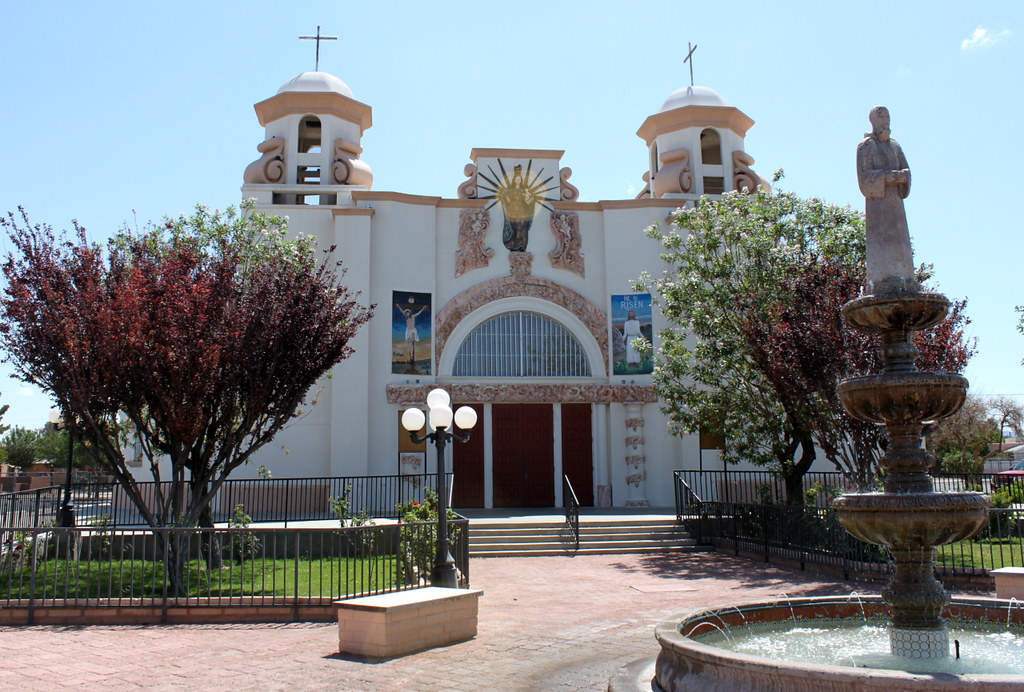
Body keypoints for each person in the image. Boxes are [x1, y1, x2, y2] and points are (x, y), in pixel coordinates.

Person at [856, 106, 915, 294]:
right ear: (872, 120)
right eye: (880, 116)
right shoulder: (866, 146)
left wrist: (904, 176)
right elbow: (864, 180)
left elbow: (907, 171)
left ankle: (907, 279)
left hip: (896, 204)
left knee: (900, 239)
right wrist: (890, 177)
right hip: (878, 206)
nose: (885, 120)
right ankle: (882, 279)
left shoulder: (895, 146)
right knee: (881, 238)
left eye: (887, 116)